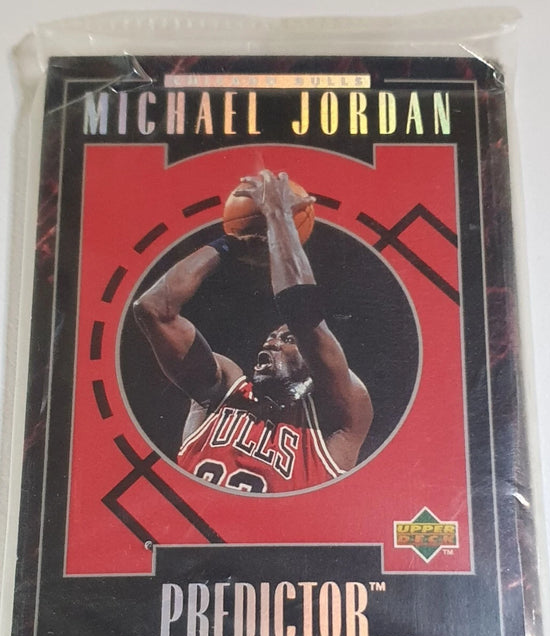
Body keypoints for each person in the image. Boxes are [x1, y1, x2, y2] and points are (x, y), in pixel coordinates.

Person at [133, 170, 373, 494]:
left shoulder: (338, 418)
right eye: (271, 337)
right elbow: (153, 308)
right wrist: (231, 243)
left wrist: (278, 216)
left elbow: (302, 313)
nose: (272, 342)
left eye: (288, 339)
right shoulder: (222, 391)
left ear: (314, 363)